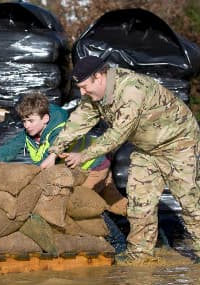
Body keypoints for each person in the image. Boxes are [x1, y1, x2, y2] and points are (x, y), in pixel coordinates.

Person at [42, 55, 200, 264]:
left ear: (99, 76)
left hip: (178, 145)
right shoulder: (94, 95)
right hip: (147, 150)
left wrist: (84, 155)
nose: (82, 92)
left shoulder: (131, 90)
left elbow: (117, 135)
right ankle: (140, 256)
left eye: (85, 86)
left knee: (190, 203)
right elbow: (78, 121)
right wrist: (54, 152)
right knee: (139, 203)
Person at [0, 92, 127, 252]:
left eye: (31, 121)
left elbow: (47, 163)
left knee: (79, 204)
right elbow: (7, 150)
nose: (26, 125)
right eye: (24, 121)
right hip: (84, 169)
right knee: (115, 203)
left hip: (92, 167)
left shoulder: (59, 131)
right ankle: (144, 221)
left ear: (45, 119)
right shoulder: (30, 133)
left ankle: (118, 243)